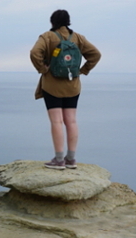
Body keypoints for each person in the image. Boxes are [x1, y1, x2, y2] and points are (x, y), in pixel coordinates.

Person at [30, 9, 101, 170]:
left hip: (52, 85)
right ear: (68, 21)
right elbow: (96, 54)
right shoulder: (78, 38)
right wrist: (83, 70)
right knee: (72, 120)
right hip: (73, 86)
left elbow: (35, 52)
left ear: (52, 21)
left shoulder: (47, 37)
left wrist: (43, 68)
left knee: (57, 121)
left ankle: (59, 160)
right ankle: (71, 159)